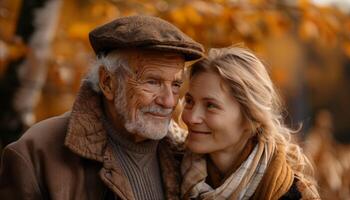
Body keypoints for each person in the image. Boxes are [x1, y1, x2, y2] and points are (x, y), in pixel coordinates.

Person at [0, 15, 204, 200]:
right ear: (108, 83)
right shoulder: (36, 153)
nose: (168, 101)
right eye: (152, 82)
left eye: (176, 85)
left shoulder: (190, 158)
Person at [180, 47, 320, 200]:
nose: (191, 117)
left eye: (210, 106)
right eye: (189, 101)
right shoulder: (172, 170)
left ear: (251, 117)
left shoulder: (292, 194)